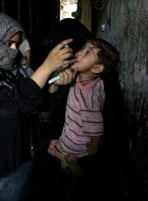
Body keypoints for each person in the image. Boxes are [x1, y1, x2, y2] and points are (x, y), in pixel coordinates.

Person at [0, 12, 74, 201]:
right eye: (8, 43)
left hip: (24, 149)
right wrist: (46, 67)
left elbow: (31, 103)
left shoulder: (14, 67)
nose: (13, 50)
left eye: (17, 44)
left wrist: (52, 86)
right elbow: (10, 104)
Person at [47, 38, 120, 201]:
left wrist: (90, 151)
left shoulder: (88, 98)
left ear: (97, 67)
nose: (79, 53)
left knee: (72, 177)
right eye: (83, 48)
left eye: (88, 53)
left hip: (74, 150)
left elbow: (96, 130)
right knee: (69, 175)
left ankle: (70, 193)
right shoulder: (90, 79)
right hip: (69, 139)